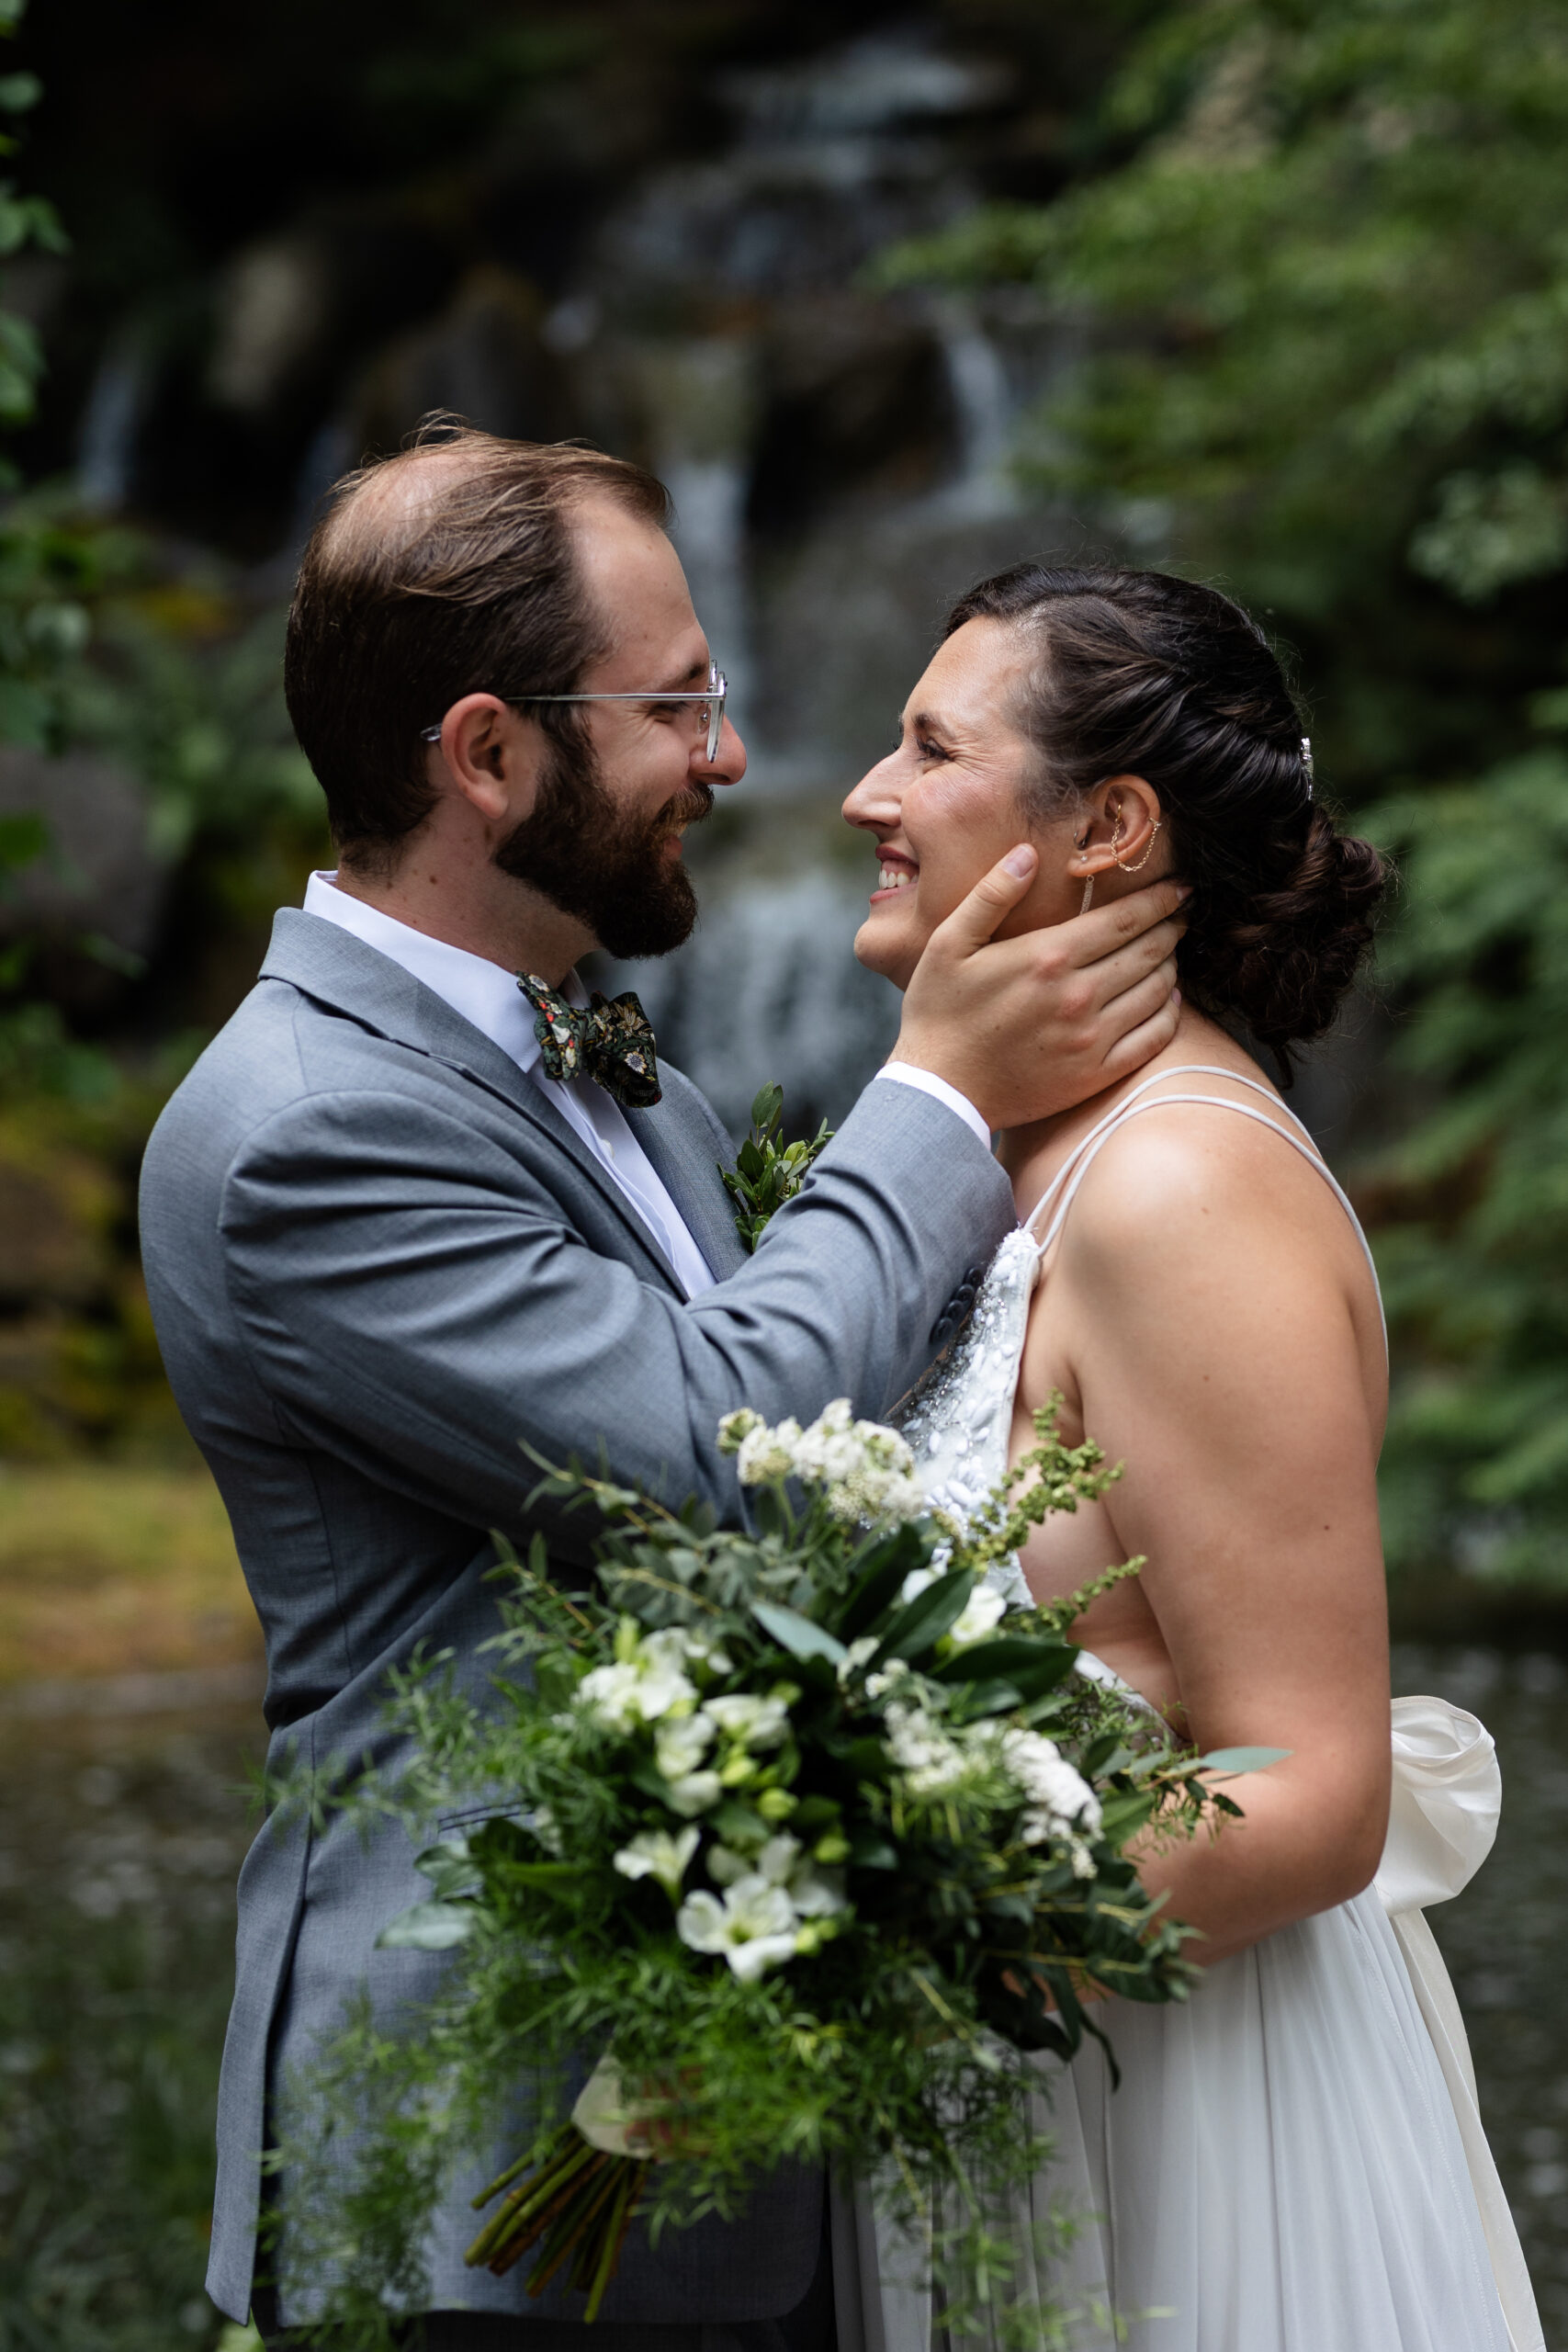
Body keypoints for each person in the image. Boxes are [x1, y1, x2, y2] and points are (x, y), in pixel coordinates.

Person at [137, 434, 1189, 2351]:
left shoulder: (623, 1073)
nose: (727, 754)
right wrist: (942, 1084)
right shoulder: (306, 1134)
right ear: (486, 755)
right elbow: (723, 1467)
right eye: (677, 701)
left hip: (706, 2143)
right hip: (474, 2197)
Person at [838, 562, 1543, 2352]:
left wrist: (869, 1930)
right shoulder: (1019, 1157)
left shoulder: (1176, 1187)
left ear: (1109, 823)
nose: (865, 794)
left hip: (1184, 2125)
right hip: (1021, 2095)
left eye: (927, 745)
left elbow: (1310, 1788)